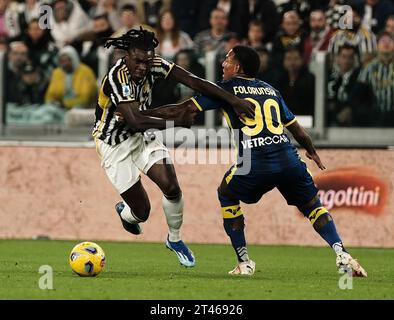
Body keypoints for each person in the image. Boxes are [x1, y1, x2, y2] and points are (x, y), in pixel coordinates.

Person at [142, 45, 368, 277]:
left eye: (227, 60)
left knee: (226, 193)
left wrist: (141, 115)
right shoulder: (271, 90)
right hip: (289, 158)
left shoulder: (225, 89)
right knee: (312, 206)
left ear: (237, 67)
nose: (223, 64)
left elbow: (184, 109)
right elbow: (297, 131)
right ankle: (342, 254)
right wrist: (311, 150)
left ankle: (244, 262)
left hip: (255, 162)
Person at [93, 28, 254, 268]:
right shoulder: (118, 78)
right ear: (126, 56)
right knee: (142, 212)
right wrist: (175, 122)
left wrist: (234, 100)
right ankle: (126, 213)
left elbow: (195, 82)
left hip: (142, 136)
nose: (143, 67)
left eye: (147, 61)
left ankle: (175, 239)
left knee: (172, 187)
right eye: (138, 61)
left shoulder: (155, 63)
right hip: (113, 143)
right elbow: (135, 119)